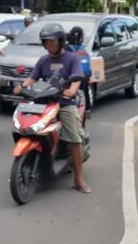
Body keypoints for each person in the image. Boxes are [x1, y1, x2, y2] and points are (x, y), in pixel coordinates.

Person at [13, 23, 90, 193]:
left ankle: (78, 178)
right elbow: (32, 79)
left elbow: (77, 78)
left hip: (64, 102)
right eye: (46, 42)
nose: (49, 45)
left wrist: (72, 90)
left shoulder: (72, 58)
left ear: (61, 41)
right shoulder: (43, 60)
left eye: (52, 42)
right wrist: (21, 86)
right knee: (27, 125)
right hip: (44, 101)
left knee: (74, 138)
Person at [66, 26, 92, 111]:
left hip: (69, 80)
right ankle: (86, 110)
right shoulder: (82, 48)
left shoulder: (65, 48)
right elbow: (88, 70)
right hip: (83, 78)